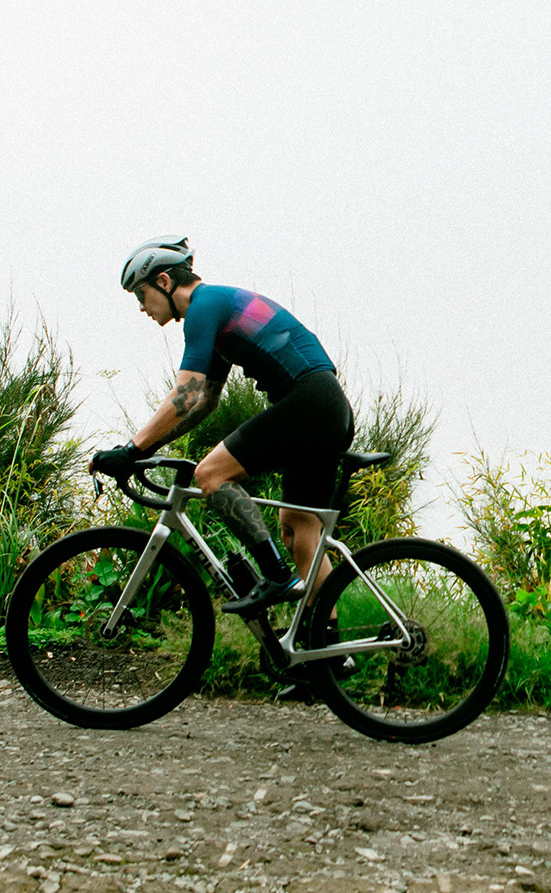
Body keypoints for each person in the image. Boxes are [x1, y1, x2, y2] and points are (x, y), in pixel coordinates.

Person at [89, 236, 354, 635]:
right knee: (298, 525)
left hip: (309, 402)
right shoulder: (215, 311)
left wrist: (131, 449)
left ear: (163, 281)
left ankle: (276, 576)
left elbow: (185, 393)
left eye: (140, 295)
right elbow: (203, 402)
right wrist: (147, 448)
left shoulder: (204, 306)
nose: (142, 308)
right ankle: (323, 653)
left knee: (210, 474)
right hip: (325, 406)